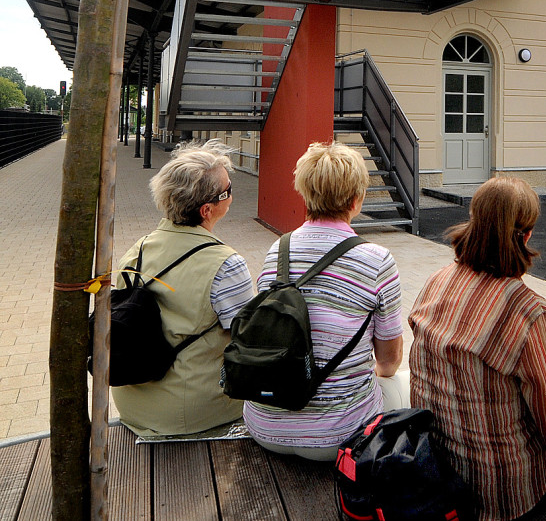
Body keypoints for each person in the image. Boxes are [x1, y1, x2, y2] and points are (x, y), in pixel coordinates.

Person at [409, 176, 546, 521]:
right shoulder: (528, 313)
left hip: (439, 467)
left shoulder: (438, 280)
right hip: (503, 494)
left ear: (474, 223)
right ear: (527, 235)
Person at [243, 141, 405, 459]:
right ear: (356, 200)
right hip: (341, 438)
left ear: (304, 193)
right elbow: (388, 361)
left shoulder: (279, 251)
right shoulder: (376, 259)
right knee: (400, 385)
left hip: (264, 425)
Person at [113, 138, 254, 437]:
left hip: (132, 402)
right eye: (229, 191)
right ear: (207, 209)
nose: (232, 196)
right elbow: (248, 340)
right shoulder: (226, 264)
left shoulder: (137, 251)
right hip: (195, 411)